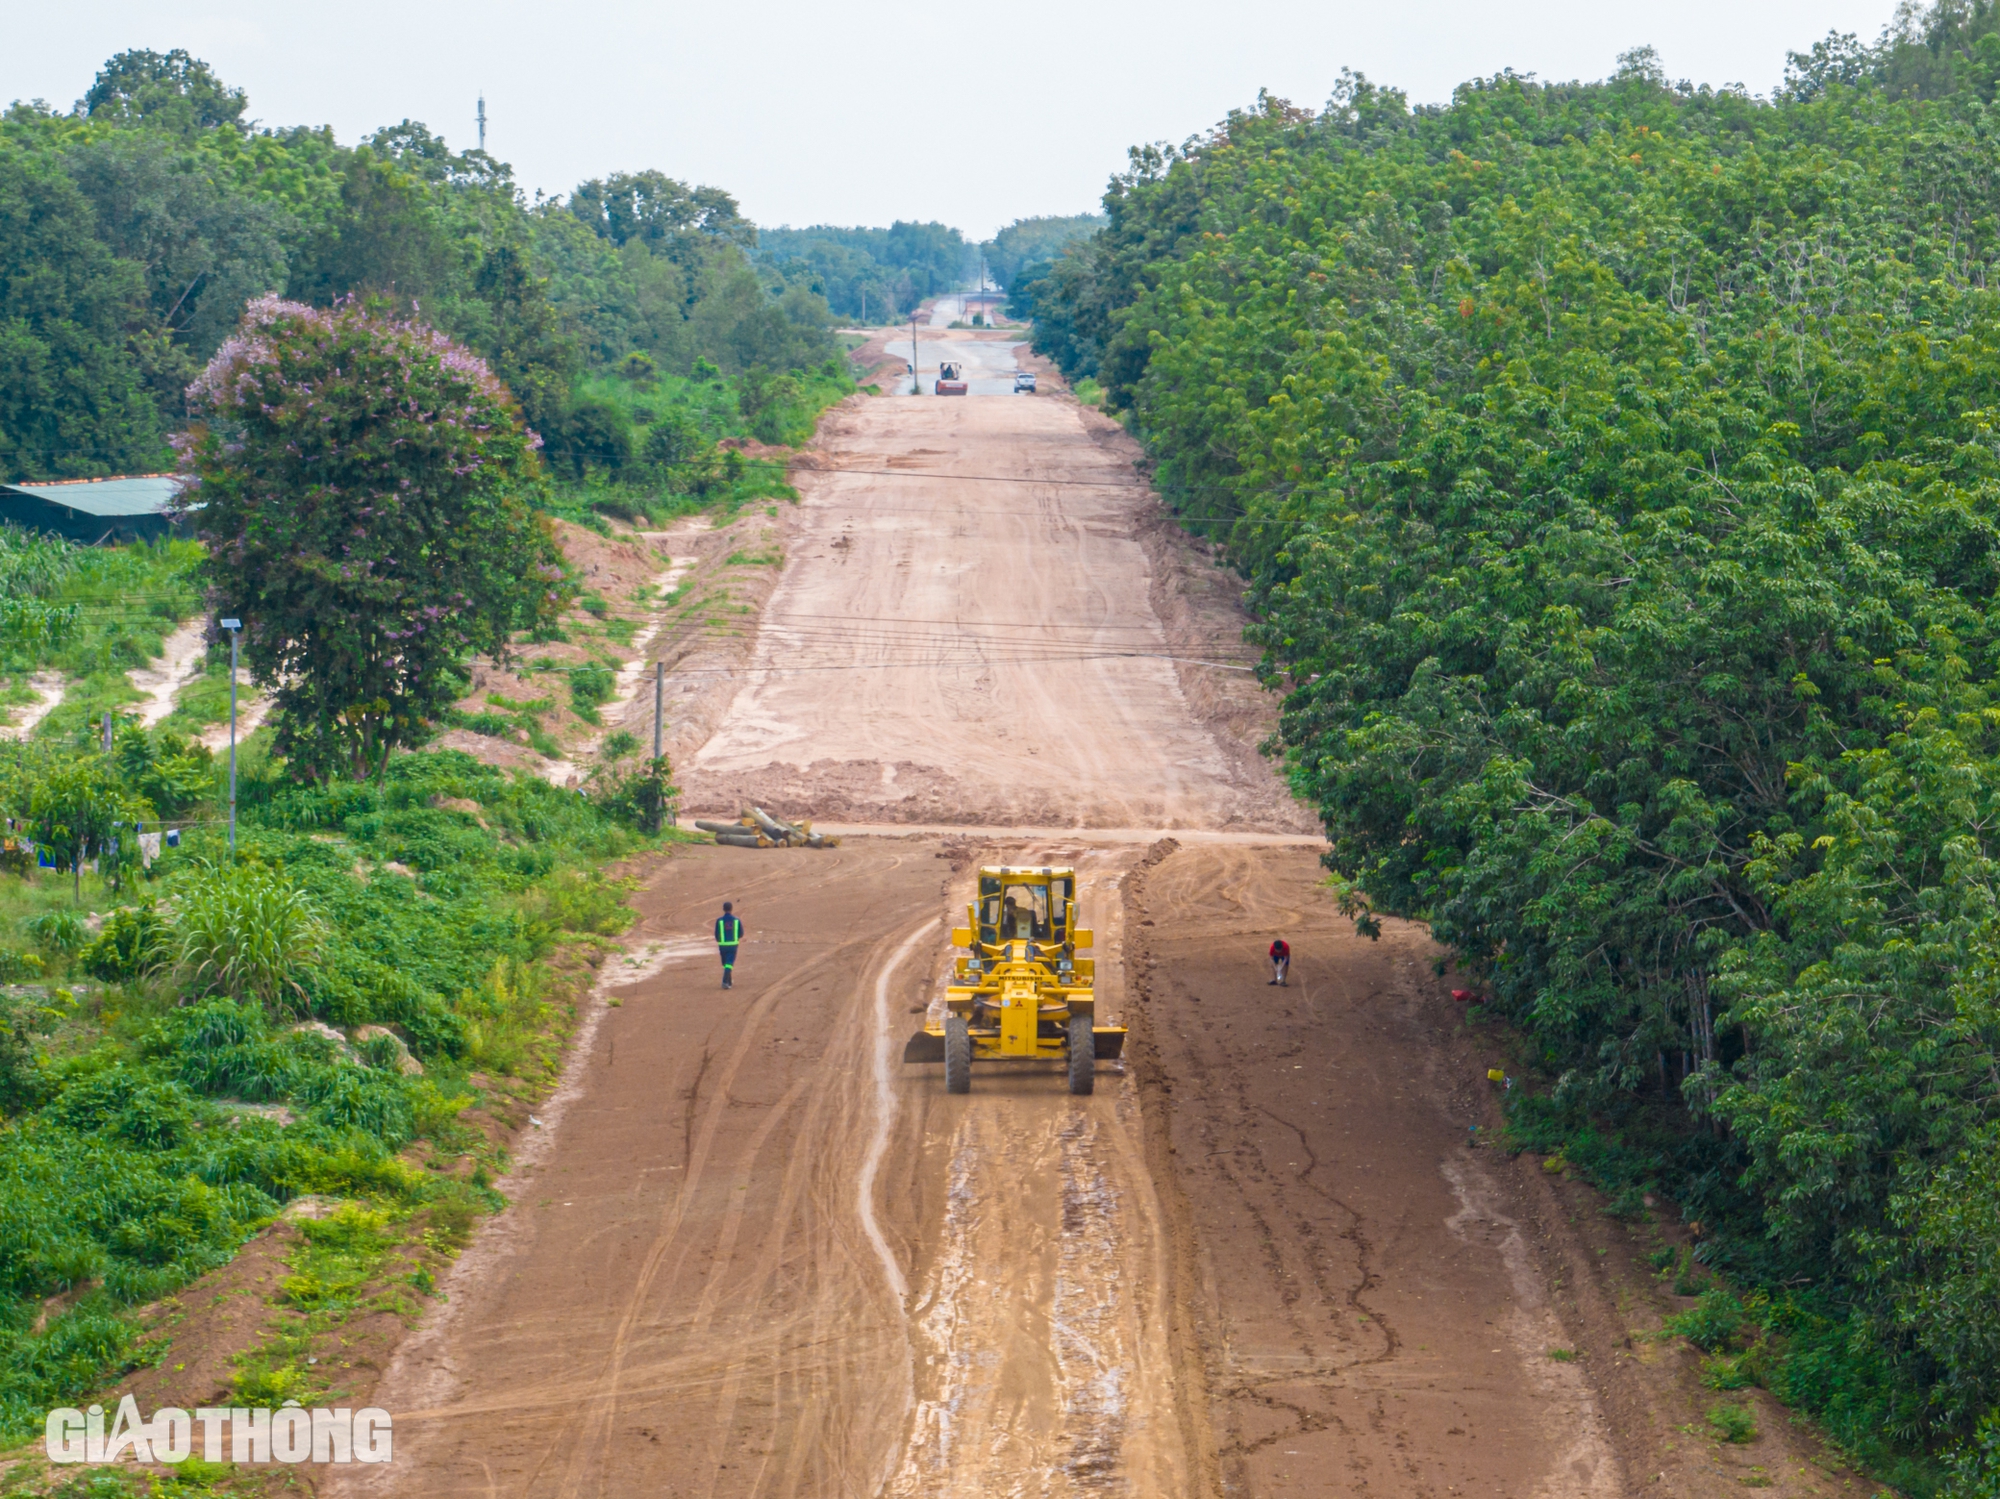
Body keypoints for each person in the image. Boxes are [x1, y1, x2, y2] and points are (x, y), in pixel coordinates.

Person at [715, 902, 744, 990]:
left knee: (725, 964)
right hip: (733, 945)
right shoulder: (736, 920)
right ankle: (725, 981)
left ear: (723, 909)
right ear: (731, 909)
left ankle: (728, 981)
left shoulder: (719, 921)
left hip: (722, 946)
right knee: (729, 964)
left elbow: (716, 934)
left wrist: (720, 941)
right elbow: (741, 933)